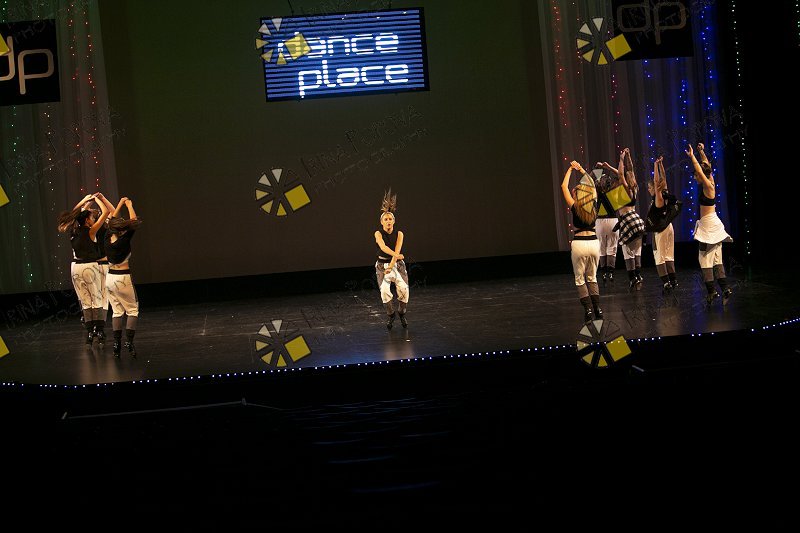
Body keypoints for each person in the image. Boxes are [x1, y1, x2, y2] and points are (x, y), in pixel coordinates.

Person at [57, 192, 111, 345]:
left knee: (85, 301)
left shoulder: (73, 230)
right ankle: (99, 330)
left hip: (76, 268)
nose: (93, 219)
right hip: (89, 266)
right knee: (97, 299)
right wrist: (97, 199)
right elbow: (106, 212)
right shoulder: (91, 231)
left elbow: (75, 214)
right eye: (91, 218)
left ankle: (89, 333)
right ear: (87, 220)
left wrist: (84, 201)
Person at [686, 142, 733, 304]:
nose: (695, 177)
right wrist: (702, 152)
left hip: (708, 227)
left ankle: (712, 291)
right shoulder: (710, 180)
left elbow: (701, 169)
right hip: (713, 225)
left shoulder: (708, 186)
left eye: (695, 175)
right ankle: (725, 289)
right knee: (717, 259)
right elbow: (706, 166)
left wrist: (692, 156)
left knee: (704, 259)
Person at [561, 160, 601, 322]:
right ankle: (598, 309)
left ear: (576, 195)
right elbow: (591, 184)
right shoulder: (594, 205)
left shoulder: (575, 206)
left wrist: (571, 169)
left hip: (579, 244)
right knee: (592, 277)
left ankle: (588, 311)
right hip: (594, 243)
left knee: (580, 279)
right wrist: (581, 169)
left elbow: (563, 187)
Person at [104, 197, 142, 357]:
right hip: (123, 277)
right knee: (132, 310)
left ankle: (116, 344)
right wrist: (129, 205)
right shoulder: (124, 239)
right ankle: (129, 342)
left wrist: (120, 204)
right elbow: (134, 222)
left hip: (110, 278)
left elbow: (111, 219)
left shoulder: (106, 237)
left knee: (117, 311)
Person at [645, 156, 681, 294]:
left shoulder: (659, 198)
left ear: (655, 188)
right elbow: (663, 179)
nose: (649, 190)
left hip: (661, 229)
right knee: (669, 256)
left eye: (650, 188)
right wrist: (661, 165)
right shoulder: (666, 193)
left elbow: (657, 181)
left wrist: (655, 165)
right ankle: (674, 280)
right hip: (669, 227)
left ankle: (666, 283)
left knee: (659, 257)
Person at [374, 189, 409, 329]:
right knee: (384, 292)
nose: (388, 221)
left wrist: (393, 262)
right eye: (386, 219)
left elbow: (397, 251)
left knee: (404, 290)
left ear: (394, 221)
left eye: (390, 219)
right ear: (382, 222)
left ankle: (402, 313)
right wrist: (394, 258)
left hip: (397, 265)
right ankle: (391, 315)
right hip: (382, 266)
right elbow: (383, 247)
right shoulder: (378, 233)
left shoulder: (399, 234)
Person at [615, 148, 645, 291]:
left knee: (627, 252)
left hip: (628, 221)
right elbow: (630, 170)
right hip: (638, 221)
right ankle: (638, 276)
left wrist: (622, 158)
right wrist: (628, 156)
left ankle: (632, 279)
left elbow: (620, 173)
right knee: (637, 251)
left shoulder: (626, 189)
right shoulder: (634, 188)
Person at [594, 161, 621, 285]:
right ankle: (610, 272)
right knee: (612, 248)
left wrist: (597, 168)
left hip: (599, 221)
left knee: (601, 248)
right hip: (612, 221)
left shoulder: (597, 190)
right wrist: (609, 167)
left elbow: (588, 179)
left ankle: (604, 273)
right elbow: (620, 175)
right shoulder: (614, 189)